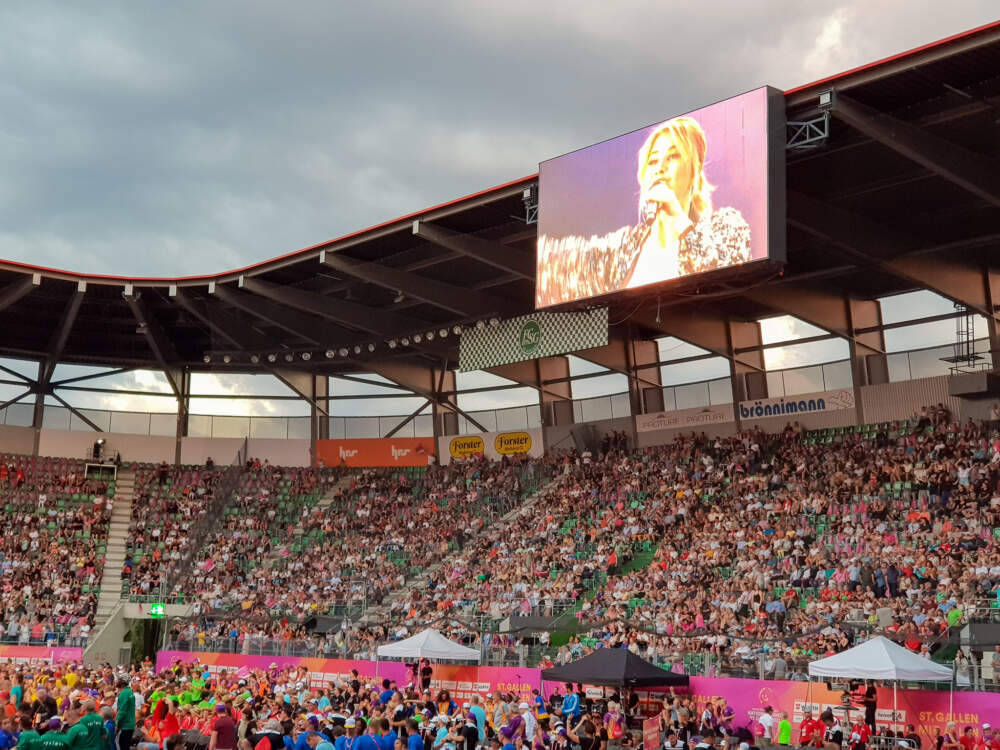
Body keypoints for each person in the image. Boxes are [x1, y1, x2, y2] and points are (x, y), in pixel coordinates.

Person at [536, 116, 752, 306]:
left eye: (673, 157)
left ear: (694, 168)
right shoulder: (623, 247)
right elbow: (557, 265)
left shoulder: (725, 226)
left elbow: (721, 267)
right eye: (654, 160)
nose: (660, 168)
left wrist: (677, 217)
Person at [115, 679, 136, 750]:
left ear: (120, 686)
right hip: (131, 723)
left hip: (125, 724)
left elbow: (122, 710)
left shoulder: (124, 693)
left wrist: (117, 722)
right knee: (126, 745)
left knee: (123, 745)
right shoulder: (130, 691)